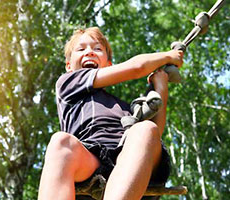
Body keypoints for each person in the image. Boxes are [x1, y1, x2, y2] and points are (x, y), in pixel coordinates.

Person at [38, 27, 183, 200]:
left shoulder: (125, 109)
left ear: (108, 65)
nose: (90, 52)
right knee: (60, 142)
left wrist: (161, 87)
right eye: (81, 49)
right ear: (69, 66)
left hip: (130, 166)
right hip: (91, 161)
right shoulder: (68, 84)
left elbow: (153, 136)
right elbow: (137, 68)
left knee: (145, 129)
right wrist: (167, 56)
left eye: (97, 49)